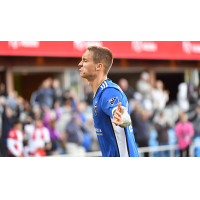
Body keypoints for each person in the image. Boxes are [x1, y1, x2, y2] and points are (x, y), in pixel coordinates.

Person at [78, 46, 139, 157]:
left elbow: (123, 115)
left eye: (85, 60)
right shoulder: (99, 93)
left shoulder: (108, 91)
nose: (80, 64)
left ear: (98, 66)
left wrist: (122, 118)